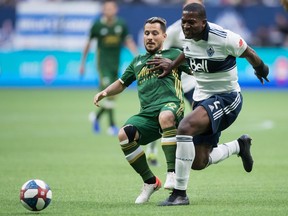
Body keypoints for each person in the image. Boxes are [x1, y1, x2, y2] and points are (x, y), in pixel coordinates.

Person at [147, 3, 269, 206]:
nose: (186, 26)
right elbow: (188, 52)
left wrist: (261, 69)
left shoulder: (224, 37)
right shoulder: (187, 35)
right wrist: (172, 65)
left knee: (185, 127)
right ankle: (239, 146)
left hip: (227, 97)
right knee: (198, 161)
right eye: (184, 22)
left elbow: (249, 52)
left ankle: (179, 194)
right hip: (202, 98)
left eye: (191, 22)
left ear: (203, 22)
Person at [93, 16, 192, 204]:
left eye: (155, 33)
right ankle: (150, 182)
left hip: (172, 107)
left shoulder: (173, 54)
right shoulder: (137, 61)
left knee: (165, 116)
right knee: (124, 135)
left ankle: (172, 173)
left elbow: (195, 70)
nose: (150, 37)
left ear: (164, 36)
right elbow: (122, 83)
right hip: (148, 114)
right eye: (147, 33)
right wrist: (105, 92)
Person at [145, 0, 202, 167]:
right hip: (174, 82)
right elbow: (159, 53)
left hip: (193, 82)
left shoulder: (208, 30)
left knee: (199, 115)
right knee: (164, 117)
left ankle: (196, 150)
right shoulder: (175, 31)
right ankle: (152, 149)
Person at [80, 0, 138, 135]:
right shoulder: (97, 25)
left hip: (115, 64)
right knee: (108, 93)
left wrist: (136, 56)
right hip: (102, 65)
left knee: (113, 94)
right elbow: (88, 44)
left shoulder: (121, 25)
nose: (109, 11)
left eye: (111, 8)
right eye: (107, 9)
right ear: (103, 10)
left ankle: (97, 117)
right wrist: (82, 63)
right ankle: (112, 125)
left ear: (116, 10)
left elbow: (128, 41)